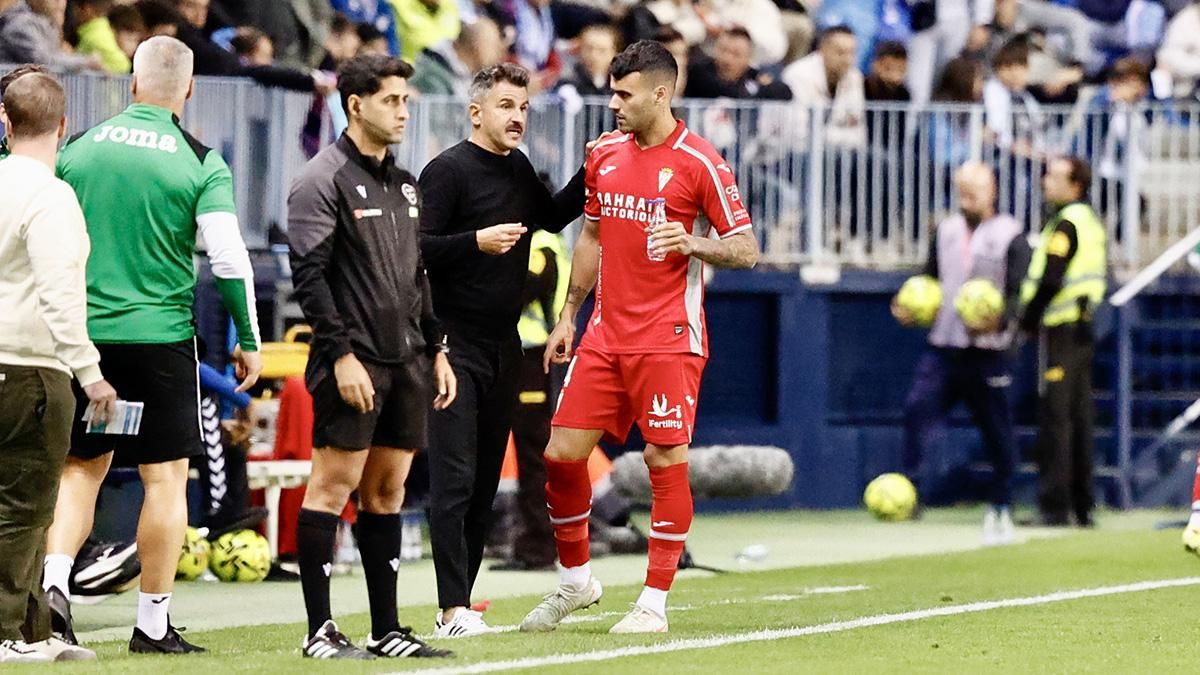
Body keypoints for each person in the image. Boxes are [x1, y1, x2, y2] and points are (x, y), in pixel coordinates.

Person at [518, 40, 759, 635]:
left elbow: (748, 249)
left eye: (624, 95)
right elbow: (592, 237)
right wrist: (571, 312)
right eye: (611, 92)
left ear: (661, 92)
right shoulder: (604, 155)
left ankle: (653, 602)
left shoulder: (701, 161)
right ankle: (577, 582)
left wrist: (693, 243)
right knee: (560, 456)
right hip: (604, 332)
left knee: (663, 458)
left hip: (669, 337)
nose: (614, 104)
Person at [43, 35, 262, 655]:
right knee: (164, 480)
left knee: (79, 470)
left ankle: (55, 591)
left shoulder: (79, 147)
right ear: (188, 90)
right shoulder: (199, 160)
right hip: (160, 342)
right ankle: (154, 624)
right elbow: (227, 258)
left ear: (130, 84)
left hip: (83, 343)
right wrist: (248, 339)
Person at [287, 53, 456, 660]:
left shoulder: (406, 183)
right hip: (353, 363)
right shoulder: (321, 178)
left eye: (406, 101)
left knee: (386, 493)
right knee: (332, 489)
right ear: (355, 104)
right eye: (391, 100)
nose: (403, 110)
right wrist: (340, 356)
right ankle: (319, 632)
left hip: (407, 361)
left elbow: (418, 275)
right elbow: (309, 276)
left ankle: (386, 631)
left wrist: (437, 347)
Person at [418, 62, 585, 638]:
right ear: (476, 111)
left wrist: (597, 166)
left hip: (504, 346)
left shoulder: (516, 169)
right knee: (454, 479)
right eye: (507, 107)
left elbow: (553, 215)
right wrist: (475, 242)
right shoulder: (446, 172)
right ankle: (448, 611)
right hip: (452, 345)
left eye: (523, 108)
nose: (517, 118)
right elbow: (412, 250)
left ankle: (460, 605)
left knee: (486, 480)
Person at [0, 70, 112, 665]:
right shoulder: (51, 195)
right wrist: (88, 370)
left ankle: (36, 629)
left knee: (21, 505)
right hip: (31, 368)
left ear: (5, 122)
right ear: (64, 127)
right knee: (28, 508)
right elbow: (59, 290)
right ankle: (10, 634)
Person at [893, 163, 1029, 545]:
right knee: (917, 410)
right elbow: (929, 279)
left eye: (974, 192)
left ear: (993, 191)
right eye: (962, 192)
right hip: (944, 346)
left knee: (997, 428)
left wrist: (999, 321)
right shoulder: (946, 230)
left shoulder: (1012, 235)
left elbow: (1019, 292)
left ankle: (1001, 503)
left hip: (989, 352)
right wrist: (911, 308)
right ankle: (910, 494)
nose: (966, 200)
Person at [1020, 156, 1106, 528]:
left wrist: (1027, 319)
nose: (1045, 182)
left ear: (1076, 186)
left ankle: (1056, 506)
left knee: (1057, 418)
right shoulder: (1088, 221)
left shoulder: (1065, 224)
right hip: (1083, 327)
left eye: (1054, 176)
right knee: (1079, 417)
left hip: (1062, 330)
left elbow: (1052, 279)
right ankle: (1083, 506)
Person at [489, 227, 569, 573]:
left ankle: (538, 547)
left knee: (534, 455)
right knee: (530, 455)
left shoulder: (541, 245)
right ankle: (529, 543)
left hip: (532, 359)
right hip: (524, 357)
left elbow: (519, 292)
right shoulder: (547, 244)